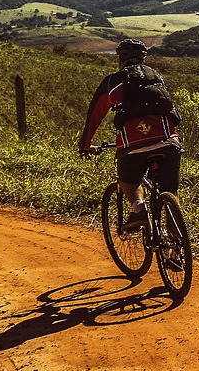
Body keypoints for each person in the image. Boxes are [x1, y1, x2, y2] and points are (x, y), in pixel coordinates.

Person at [78, 39, 182, 233]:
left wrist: (86, 143)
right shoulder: (157, 77)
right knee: (171, 193)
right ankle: (176, 254)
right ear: (143, 60)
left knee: (128, 179)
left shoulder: (113, 82)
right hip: (169, 142)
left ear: (119, 60)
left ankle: (138, 210)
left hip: (134, 146)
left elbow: (95, 114)